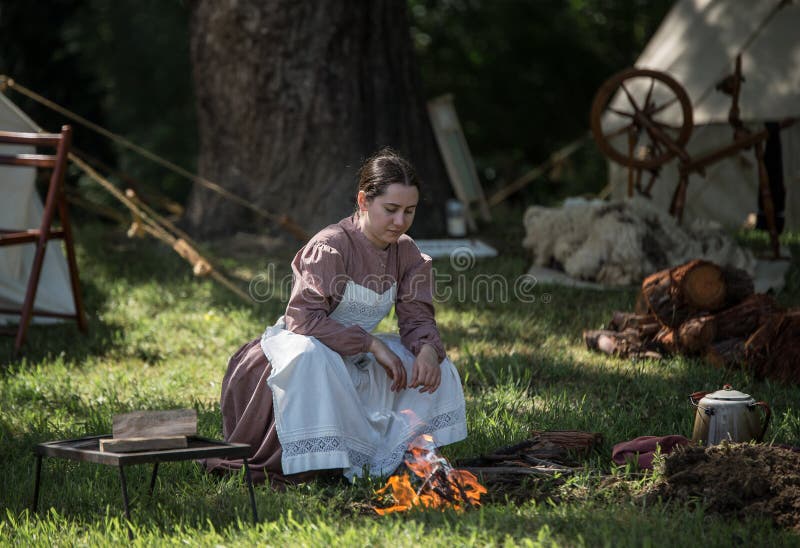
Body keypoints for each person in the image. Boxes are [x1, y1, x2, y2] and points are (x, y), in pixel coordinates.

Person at [204, 148, 467, 485]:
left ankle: (402, 454)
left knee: (435, 364)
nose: (400, 222)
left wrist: (428, 350)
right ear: (363, 201)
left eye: (409, 211)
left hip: (355, 355)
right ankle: (319, 461)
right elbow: (304, 319)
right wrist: (370, 343)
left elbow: (417, 318)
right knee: (312, 356)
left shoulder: (407, 253)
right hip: (307, 347)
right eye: (390, 210)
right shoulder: (331, 246)